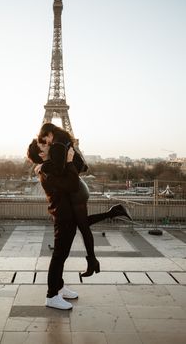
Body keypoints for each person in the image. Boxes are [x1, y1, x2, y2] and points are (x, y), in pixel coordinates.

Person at [37, 123, 132, 276]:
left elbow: (59, 169)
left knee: (83, 226)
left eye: (44, 138)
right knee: (81, 224)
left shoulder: (57, 145)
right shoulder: (66, 141)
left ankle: (93, 261)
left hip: (76, 191)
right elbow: (81, 166)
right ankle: (112, 214)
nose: (45, 142)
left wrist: (43, 167)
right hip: (80, 188)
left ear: (49, 133)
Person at [28, 140, 80, 310]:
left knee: (62, 256)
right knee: (58, 256)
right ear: (41, 154)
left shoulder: (50, 168)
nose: (50, 146)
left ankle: (59, 287)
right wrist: (70, 161)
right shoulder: (47, 171)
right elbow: (72, 184)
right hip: (63, 215)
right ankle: (51, 295)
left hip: (66, 214)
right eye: (45, 146)